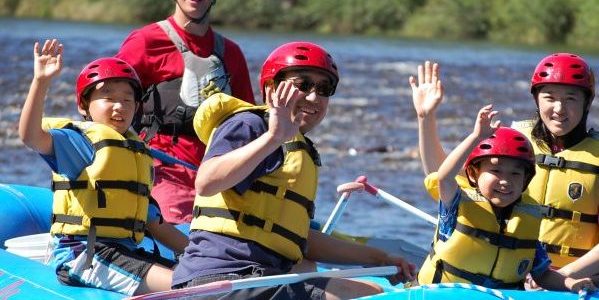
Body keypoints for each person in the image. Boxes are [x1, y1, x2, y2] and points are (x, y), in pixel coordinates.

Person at [171, 41, 416, 299]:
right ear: (270, 88)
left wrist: (379, 258)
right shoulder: (250, 125)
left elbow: (301, 239)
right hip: (224, 278)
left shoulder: (300, 150)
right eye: (303, 84)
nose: (313, 96)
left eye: (324, 88)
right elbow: (207, 182)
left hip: (263, 277)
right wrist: (273, 138)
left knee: (372, 290)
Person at [18, 39, 188, 296]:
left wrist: (200, 256)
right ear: (83, 106)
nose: (119, 106)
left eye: (128, 100)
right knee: (185, 287)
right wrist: (41, 82)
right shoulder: (78, 142)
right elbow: (31, 136)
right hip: (85, 256)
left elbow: (156, 224)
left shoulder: (135, 153)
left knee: (196, 276)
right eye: (107, 97)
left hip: (126, 252)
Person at [409, 56, 599, 268]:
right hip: (512, 276)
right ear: (536, 99)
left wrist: (563, 278)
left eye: (571, 99)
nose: (559, 109)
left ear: (587, 102)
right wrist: (426, 118)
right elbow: (442, 177)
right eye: (550, 97)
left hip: (574, 282)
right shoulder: (514, 140)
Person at [411, 104, 593, 291]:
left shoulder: (527, 221)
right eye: (496, 171)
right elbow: (444, 177)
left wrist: (571, 284)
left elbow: (543, 275)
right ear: (473, 174)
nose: (505, 181)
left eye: (515, 174)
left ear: (525, 180)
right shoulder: (456, 205)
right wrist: (476, 137)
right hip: (443, 294)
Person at [115, 0, 255, 224]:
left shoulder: (231, 53)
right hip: (162, 171)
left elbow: (249, 124)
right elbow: (105, 98)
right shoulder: (145, 42)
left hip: (217, 176)